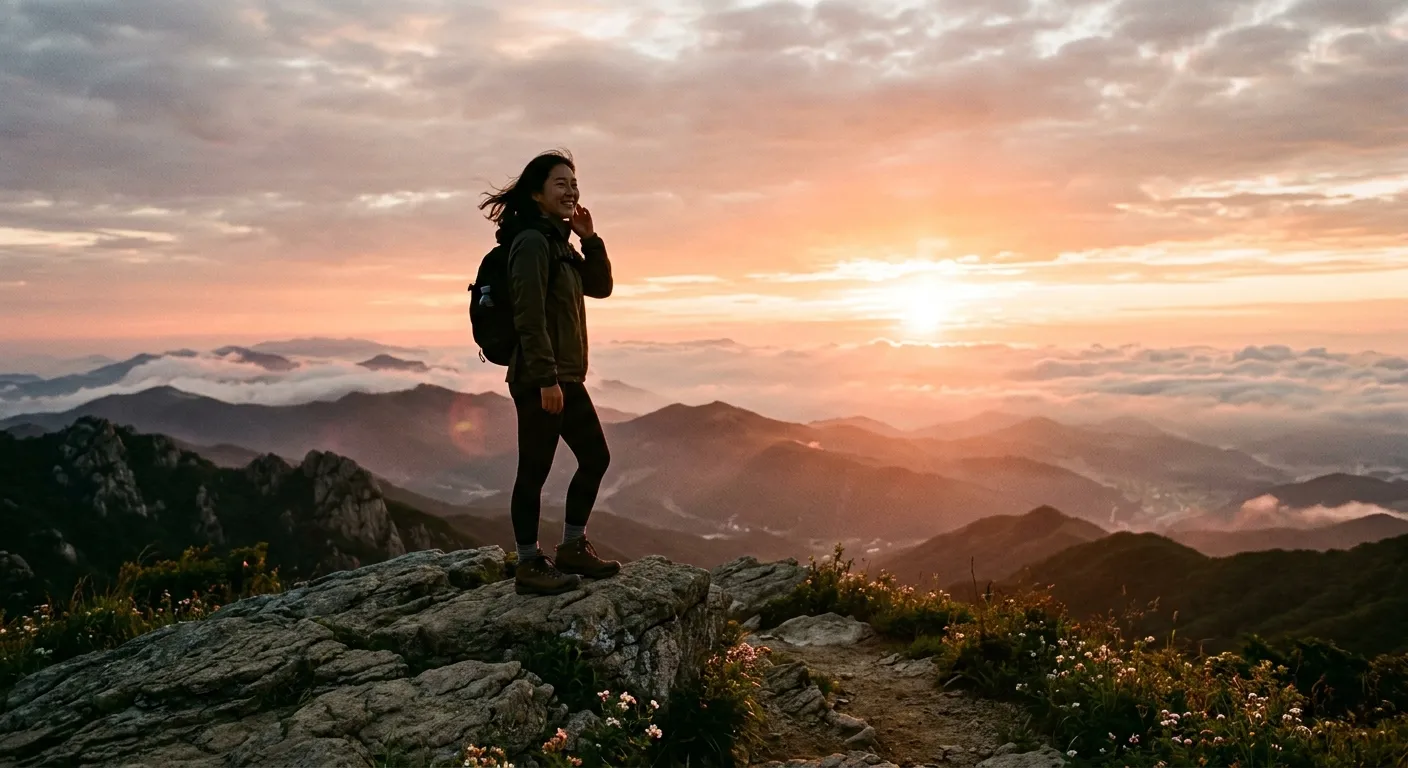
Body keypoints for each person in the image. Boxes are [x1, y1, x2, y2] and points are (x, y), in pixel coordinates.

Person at [479, 150, 620, 596]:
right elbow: (528, 316)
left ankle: (573, 547)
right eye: (560, 183)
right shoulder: (531, 244)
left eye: (574, 183)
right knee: (534, 470)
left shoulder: (559, 243)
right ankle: (527, 563)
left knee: (595, 457)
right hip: (541, 379)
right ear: (537, 193)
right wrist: (545, 380)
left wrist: (589, 238)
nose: (571, 190)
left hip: (565, 377)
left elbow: (600, 287)